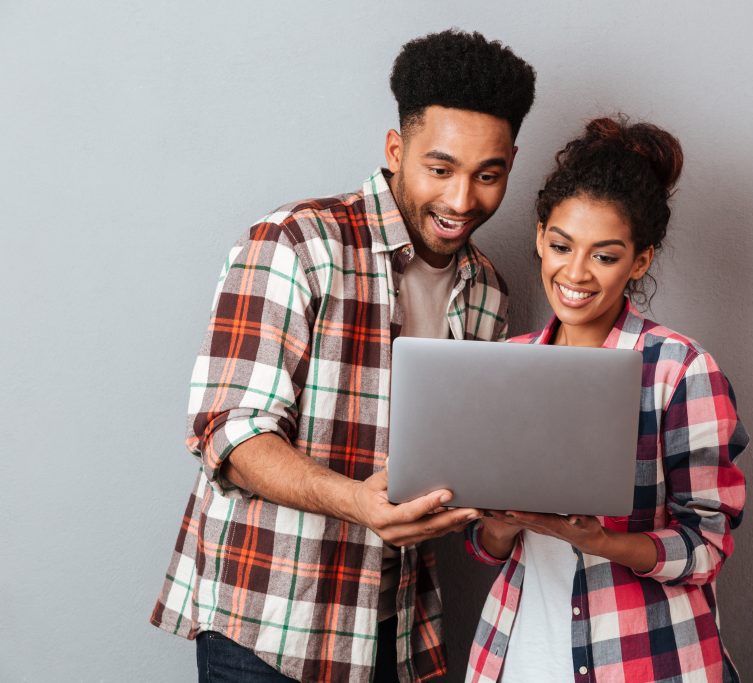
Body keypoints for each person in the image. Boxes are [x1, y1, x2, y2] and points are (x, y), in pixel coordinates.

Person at [150, 30, 536, 683]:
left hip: (394, 629)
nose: (463, 199)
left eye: (488, 174)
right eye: (440, 169)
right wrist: (356, 501)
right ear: (396, 149)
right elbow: (229, 431)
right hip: (266, 629)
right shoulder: (296, 243)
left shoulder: (490, 294)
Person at [464, 117, 750, 683]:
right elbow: (487, 545)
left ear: (639, 261)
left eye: (605, 255)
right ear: (540, 236)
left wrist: (603, 542)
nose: (575, 273)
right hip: (520, 654)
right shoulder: (507, 361)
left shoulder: (680, 369)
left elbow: (706, 547)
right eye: (561, 245)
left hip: (644, 660)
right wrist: (496, 525)